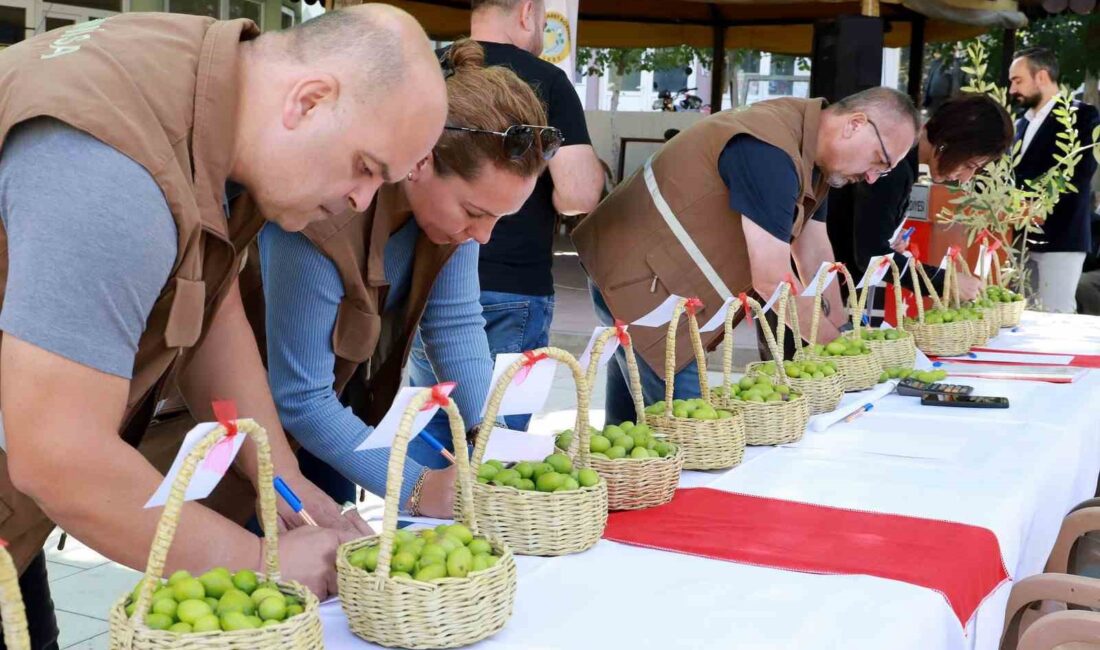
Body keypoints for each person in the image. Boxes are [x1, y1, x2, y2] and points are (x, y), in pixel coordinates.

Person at [0, 6, 447, 647]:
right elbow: (60, 457)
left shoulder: (208, 90)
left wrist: (287, 485)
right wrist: (259, 561)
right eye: (367, 167)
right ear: (310, 101)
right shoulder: (113, 165)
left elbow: (210, 301)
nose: (361, 201)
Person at [259, 39, 553, 521]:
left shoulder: (448, 226)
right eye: (474, 212)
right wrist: (417, 487)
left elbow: (456, 325)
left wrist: (495, 445)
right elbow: (301, 398)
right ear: (420, 160)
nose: (481, 237)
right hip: (248, 433)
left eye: (499, 219)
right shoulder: (320, 215)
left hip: (337, 416)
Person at [573, 87, 920, 425]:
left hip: (654, 277)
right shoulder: (771, 150)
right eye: (879, 160)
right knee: (694, 429)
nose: (873, 178)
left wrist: (843, 329)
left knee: (632, 428)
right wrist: (838, 350)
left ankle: (627, 480)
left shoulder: (811, 153)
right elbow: (772, 280)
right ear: (855, 124)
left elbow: (814, 254)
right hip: (640, 278)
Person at [408, 0, 603, 436]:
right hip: (513, 286)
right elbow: (577, 194)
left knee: (429, 430)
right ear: (527, 10)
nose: (480, 232)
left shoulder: (430, 69)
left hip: (430, 280)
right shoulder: (546, 81)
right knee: (495, 450)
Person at [827, 93, 1014, 322]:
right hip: (816, 291)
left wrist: (888, 242)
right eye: (968, 164)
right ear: (949, 141)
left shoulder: (905, 165)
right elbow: (870, 255)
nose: (965, 178)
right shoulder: (895, 167)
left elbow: (867, 239)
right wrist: (945, 280)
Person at [1008, 46, 1099, 313]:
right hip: (1021, 238)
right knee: (1020, 317)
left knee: (1057, 316)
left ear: (1042, 77)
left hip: (1062, 236)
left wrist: (1031, 203)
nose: (1012, 89)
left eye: (1018, 80)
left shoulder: (1083, 115)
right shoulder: (1021, 123)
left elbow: (1079, 173)